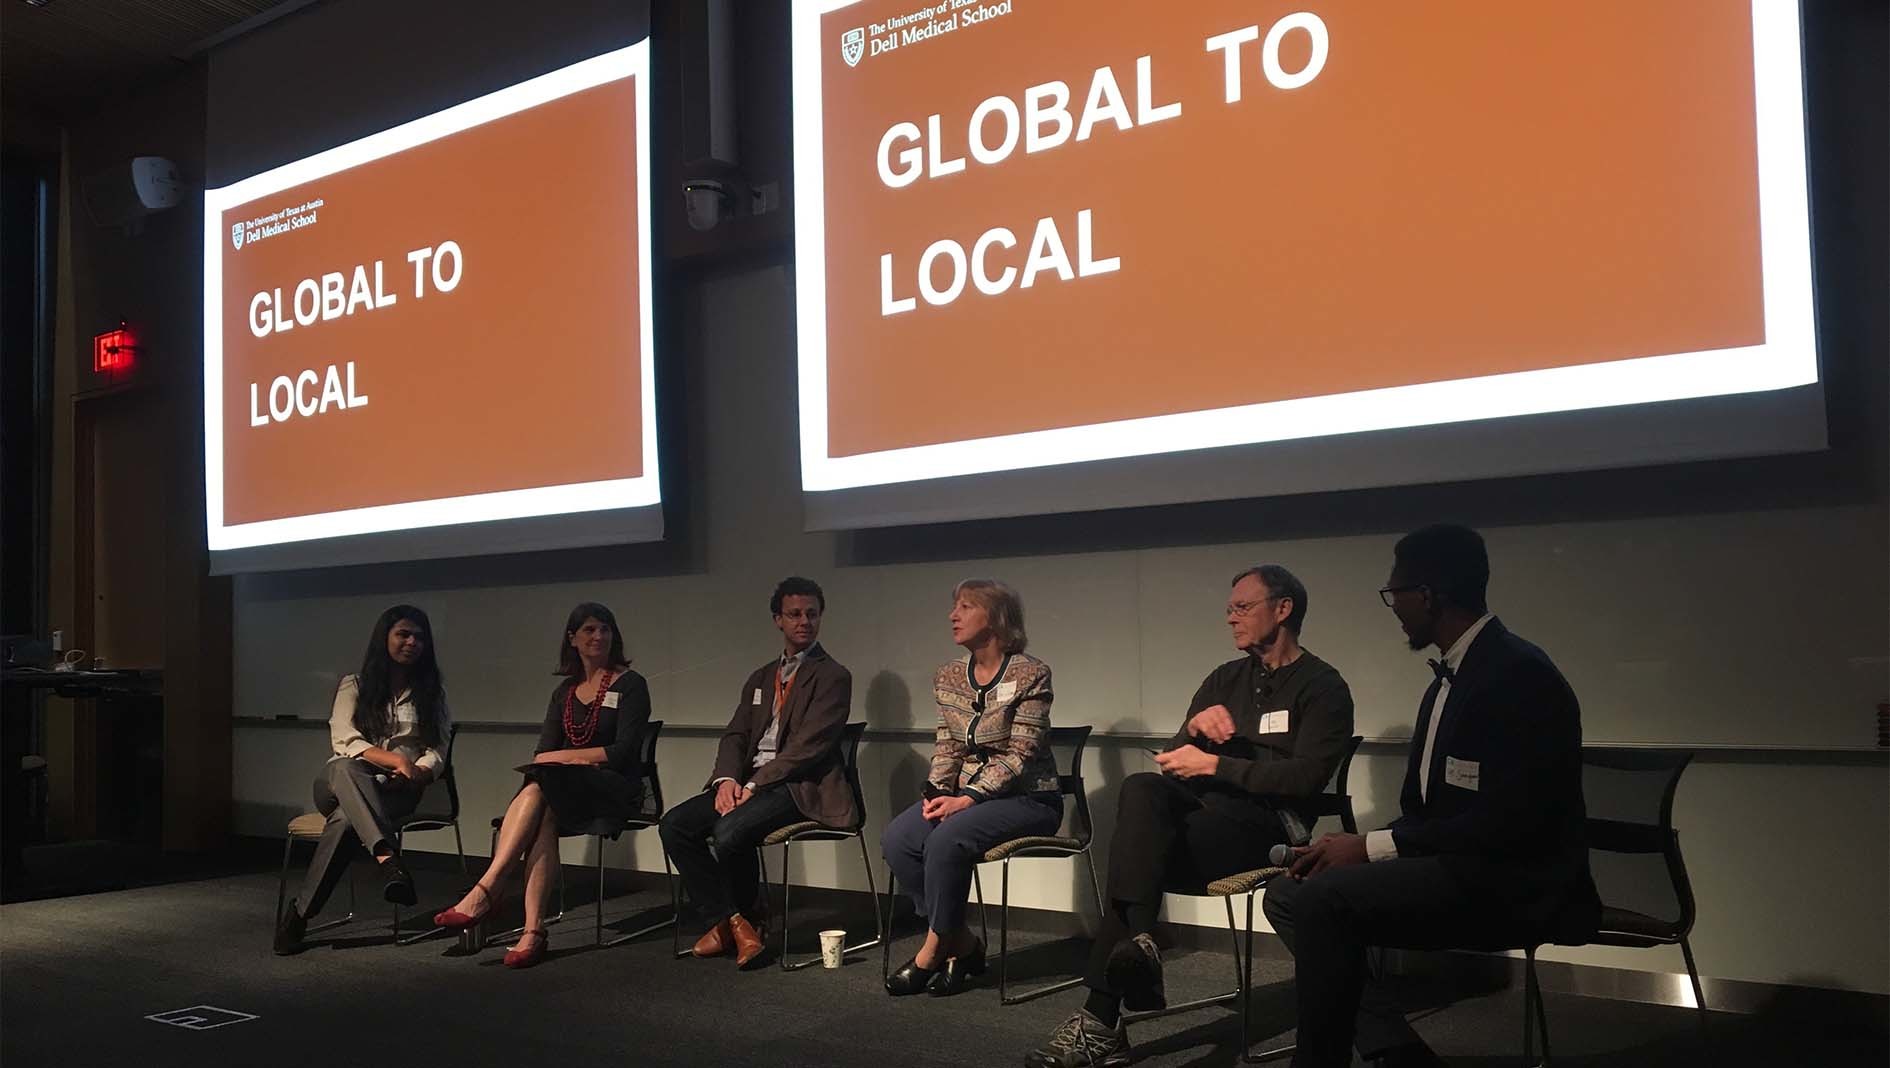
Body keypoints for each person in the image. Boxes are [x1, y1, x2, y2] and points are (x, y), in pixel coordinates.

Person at [1261, 525, 1599, 1067]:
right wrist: (1355, 847)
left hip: (1516, 880)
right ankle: (1394, 1050)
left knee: (1323, 900)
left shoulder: (1518, 675)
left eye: (1395, 593)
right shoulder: (1452, 678)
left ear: (1428, 594)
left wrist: (1371, 848)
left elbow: (1509, 824)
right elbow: (1432, 814)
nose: (1392, 606)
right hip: (1460, 862)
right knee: (1289, 892)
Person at [1028, 564, 1355, 1066]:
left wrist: (1216, 763)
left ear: (1283, 609)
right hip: (1200, 825)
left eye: (1242, 608)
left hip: (1268, 832)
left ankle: (1104, 1013)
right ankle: (1140, 940)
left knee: (1132, 865)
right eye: (1228, 610)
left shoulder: (1323, 687)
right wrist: (1192, 733)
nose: (1231, 619)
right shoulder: (1224, 678)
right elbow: (1173, 765)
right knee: (1140, 788)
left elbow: (1306, 779)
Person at [434, 602, 652, 969]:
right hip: (565, 791)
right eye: (589, 630)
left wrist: (568, 758)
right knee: (542, 803)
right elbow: (542, 752)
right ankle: (532, 931)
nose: (598, 636)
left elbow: (624, 751)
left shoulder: (631, 685)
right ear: (573, 639)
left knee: (542, 786)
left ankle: (489, 888)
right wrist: (561, 760)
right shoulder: (564, 692)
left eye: (605, 629)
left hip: (614, 791)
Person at [660, 577, 855, 969]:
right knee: (674, 826)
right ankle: (733, 923)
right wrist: (727, 780)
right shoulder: (761, 677)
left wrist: (753, 783)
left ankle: (747, 923)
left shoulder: (833, 676)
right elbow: (736, 734)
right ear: (777, 620)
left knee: (728, 833)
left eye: (812, 614)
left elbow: (809, 748)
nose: (805, 622)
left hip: (798, 787)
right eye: (795, 614)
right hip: (748, 781)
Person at [883, 578, 1062, 998]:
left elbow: (1020, 753)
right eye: (954, 606)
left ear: (996, 618)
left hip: (1029, 798)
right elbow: (947, 744)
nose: (952, 615)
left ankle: (931, 950)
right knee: (900, 839)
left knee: (946, 841)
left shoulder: (1031, 674)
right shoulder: (948, 676)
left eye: (965, 606)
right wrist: (936, 794)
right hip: (966, 796)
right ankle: (961, 942)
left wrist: (968, 798)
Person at [275, 604, 453, 955]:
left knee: (344, 821)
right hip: (337, 783)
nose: (411, 642)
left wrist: (418, 772)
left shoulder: (433, 693)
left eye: (419, 637)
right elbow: (344, 739)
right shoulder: (354, 685)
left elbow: (440, 748)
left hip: (397, 791)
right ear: (384, 638)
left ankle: (299, 914)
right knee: (345, 768)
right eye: (403, 634)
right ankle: (389, 858)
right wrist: (398, 760)